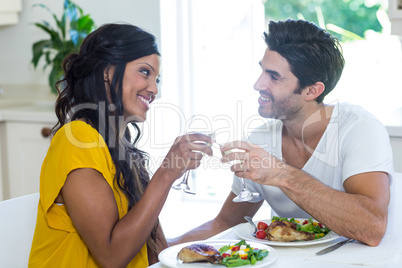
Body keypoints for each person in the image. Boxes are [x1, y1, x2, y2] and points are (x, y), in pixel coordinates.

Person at [170, 19, 394, 247]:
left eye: (273, 76)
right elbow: (225, 223)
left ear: (312, 90)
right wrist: (161, 249)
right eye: (262, 70)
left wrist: (280, 174)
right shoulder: (260, 140)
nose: (258, 84)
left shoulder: (359, 128)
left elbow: (372, 228)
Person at [28, 23, 213, 267]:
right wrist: (167, 172)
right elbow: (111, 256)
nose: (154, 88)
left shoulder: (126, 151)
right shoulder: (76, 139)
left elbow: (154, 247)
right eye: (144, 72)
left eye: (157, 79)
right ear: (108, 71)